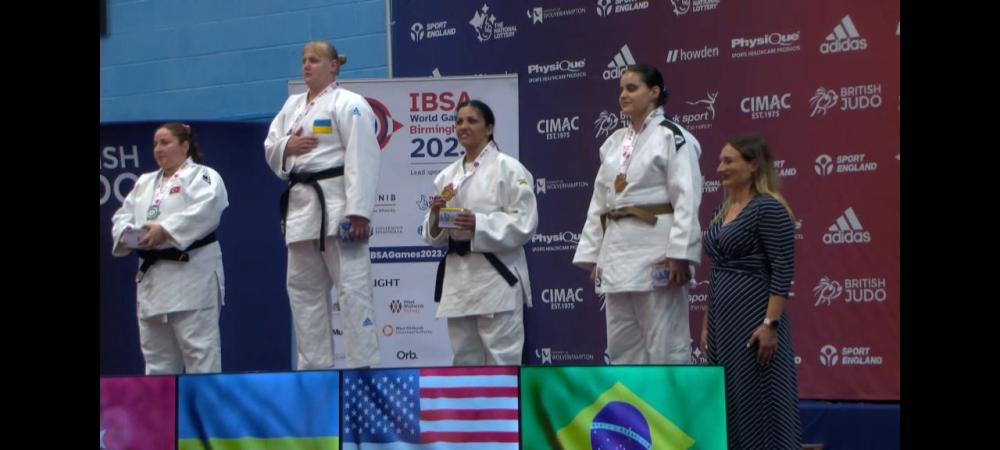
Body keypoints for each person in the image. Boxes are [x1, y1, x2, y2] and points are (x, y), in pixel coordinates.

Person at [572, 64, 703, 364]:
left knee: (665, 346)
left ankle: (668, 397)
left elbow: (687, 197)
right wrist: (595, 255)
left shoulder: (673, 136)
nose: (623, 95)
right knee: (622, 348)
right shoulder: (614, 142)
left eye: (632, 88)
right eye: (621, 89)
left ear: (654, 92)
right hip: (618, 255)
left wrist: (680, 253)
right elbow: (600, 202)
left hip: (657, 252)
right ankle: (630, 397)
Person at [264, 40, 381, 369]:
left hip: (339, 208)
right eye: (304, 60)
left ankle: (363, 368)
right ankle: (314, 371)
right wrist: (288, 146)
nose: (306, 66)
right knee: (304, 294)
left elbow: (362, 157)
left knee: (353, 291)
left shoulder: (350, 103)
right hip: (301, 210)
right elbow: (271, 146)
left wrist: (358, 212)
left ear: (333, 66)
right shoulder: (292, 105)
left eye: (314, 60)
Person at [700, 135, 800, 449]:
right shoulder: (722, 210)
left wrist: (770, 325)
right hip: (723, 325)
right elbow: (716, 269)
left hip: (754, 320)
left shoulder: (768, 208)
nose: (720, 168)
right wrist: (707, 323)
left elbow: (782, 269)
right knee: (731, 401)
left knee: (761, 401)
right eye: (720, 161)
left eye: (729, 161)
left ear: (753, 165)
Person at [422, 99, 538, 365]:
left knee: (503, 358)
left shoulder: (509, 168)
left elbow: (525, 222)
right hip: (459, 280)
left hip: (496, 277)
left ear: (489, 128)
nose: (463, 126)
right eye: (459, 121)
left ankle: (505, 396)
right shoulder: (447, 176)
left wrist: (479, 223)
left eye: (472, 120)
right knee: (463, 359)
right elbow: (432, 235)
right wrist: (436, 217)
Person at [111, 123, 229, 374]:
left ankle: (201, 403)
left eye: (165, 142)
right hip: (153, 283)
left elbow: (208, 208)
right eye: (155, 143)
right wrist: (130, 237)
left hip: (192, 279)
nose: (158, 149)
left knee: (201, 357)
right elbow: (122, 217)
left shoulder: (203, 176)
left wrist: (165, 230)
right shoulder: (144, 183)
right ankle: (159, 403)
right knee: (157, 363)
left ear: (184, 146)